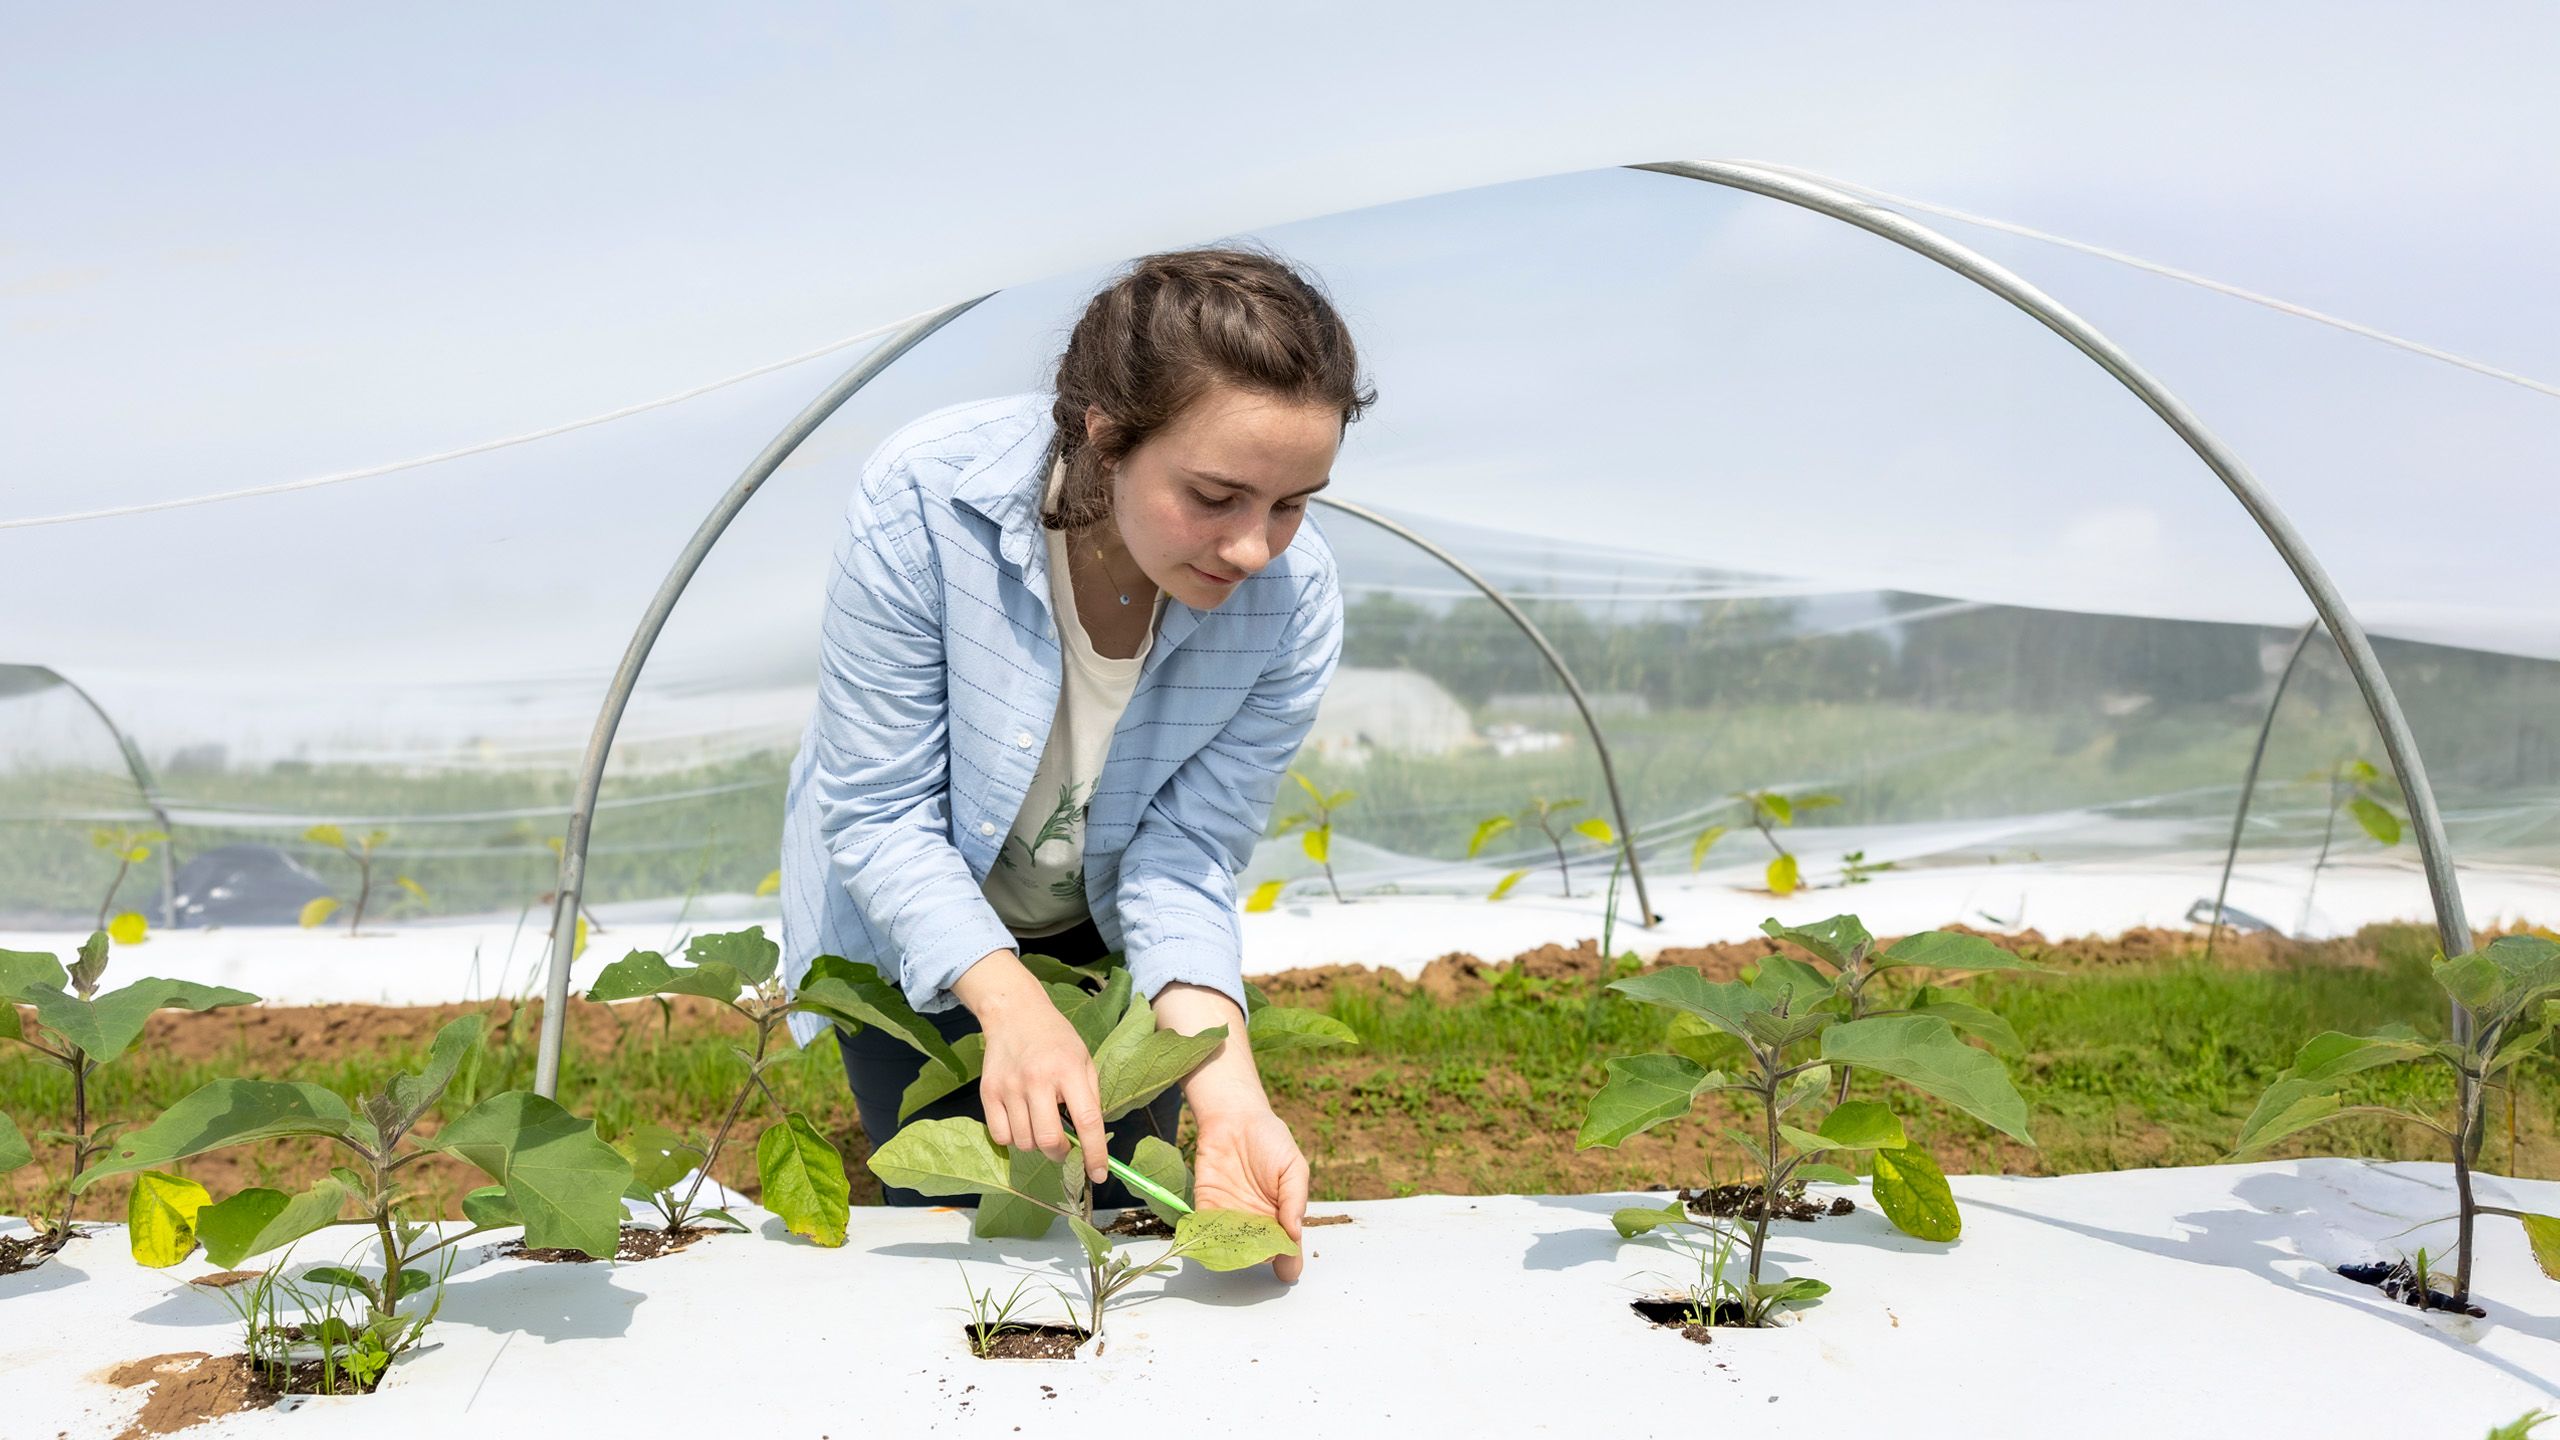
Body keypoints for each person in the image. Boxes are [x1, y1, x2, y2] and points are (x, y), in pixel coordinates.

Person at [777, 247, 1374, 1282]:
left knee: (1112, 1214)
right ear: (1104, 436)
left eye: (1291, 503)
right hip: (904, 914)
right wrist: (1008, 1006)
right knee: (956, 1231)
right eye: (1217, 496)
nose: (1252, 550)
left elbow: (1184, 854)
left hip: (1105, 936)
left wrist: (1229, 1093)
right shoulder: (925, 499)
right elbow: (880, 814)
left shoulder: (1292, 605)